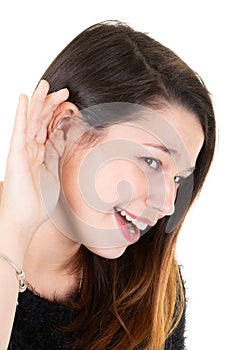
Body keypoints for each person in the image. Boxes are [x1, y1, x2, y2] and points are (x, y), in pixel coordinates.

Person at [0, 20, 215, 350]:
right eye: (151, 161)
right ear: (64, 128)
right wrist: (13, 228)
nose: (167, 205)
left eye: (178, 178)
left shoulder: (152, 289)